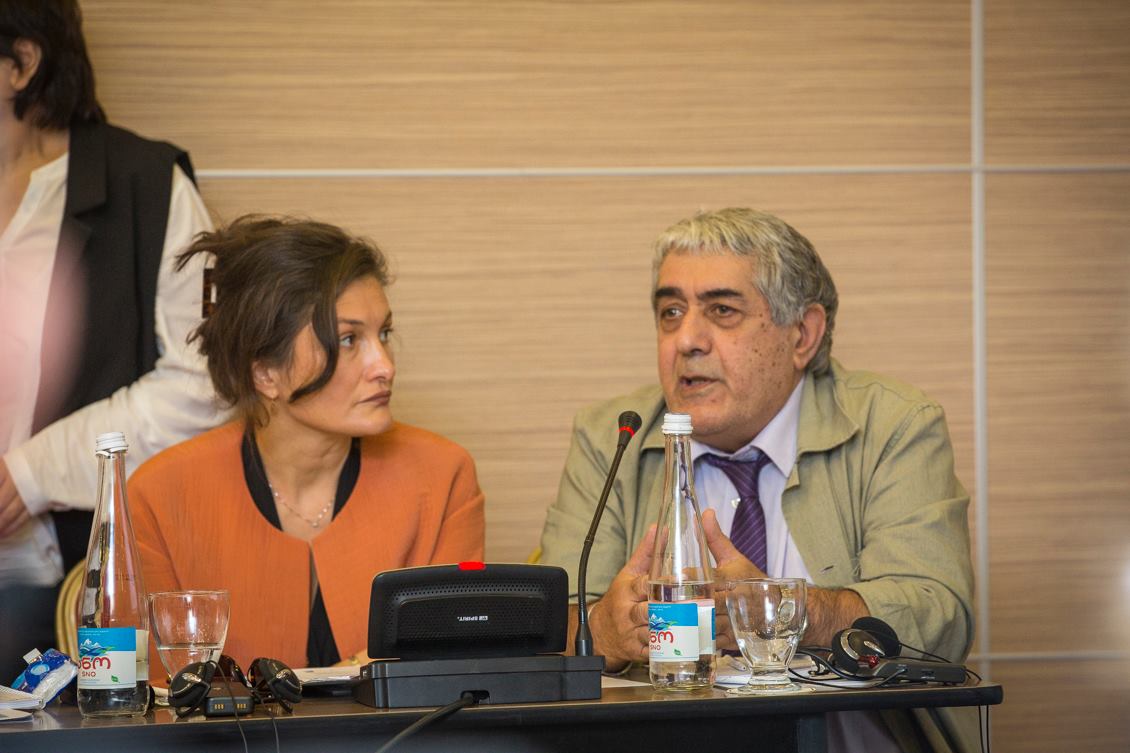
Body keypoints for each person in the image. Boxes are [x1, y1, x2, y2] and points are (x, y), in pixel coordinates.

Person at [539, 208, 975, 751]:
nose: (686, 340)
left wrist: (782, 611)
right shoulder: (614, 435)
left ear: (802, 334)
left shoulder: (893, 425)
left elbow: (940, 615)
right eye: (671, 312)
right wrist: (604, 628)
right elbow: (545, 622)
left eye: (722, 310)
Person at [128, 216, 486, 679]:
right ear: (266, 374)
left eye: (384, 334)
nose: (385, 366)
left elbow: (452, 662)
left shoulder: (442, 475)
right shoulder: (158, 496)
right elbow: (151, 689)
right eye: (348, 339)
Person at [0, 0, 219, 681]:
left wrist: (30, 474)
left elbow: (203, 389)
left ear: (20, 65)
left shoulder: (146, 186)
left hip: (61, 591)